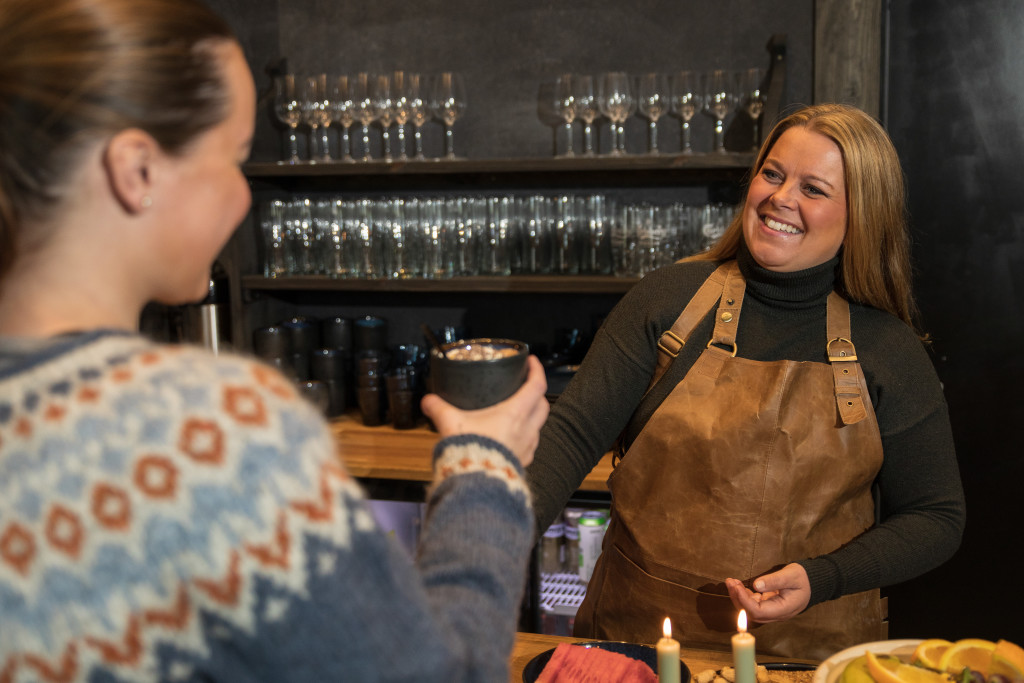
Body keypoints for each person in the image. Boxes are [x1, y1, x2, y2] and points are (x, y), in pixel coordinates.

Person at [0, 0, 549, 681]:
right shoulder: (210, 431)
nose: (244, 197)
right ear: (136, 169)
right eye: (233, 157)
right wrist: (483, 468)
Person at [525, 103, 965, 660]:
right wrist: (489, 544)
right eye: (773, 174)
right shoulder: (669, 301)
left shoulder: (887, 350)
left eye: (814, 188)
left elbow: (937, 517)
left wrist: (823, 577)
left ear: (861, 215)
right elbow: (570, 437)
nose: (781, 198)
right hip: (636, 638)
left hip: (808, 656)